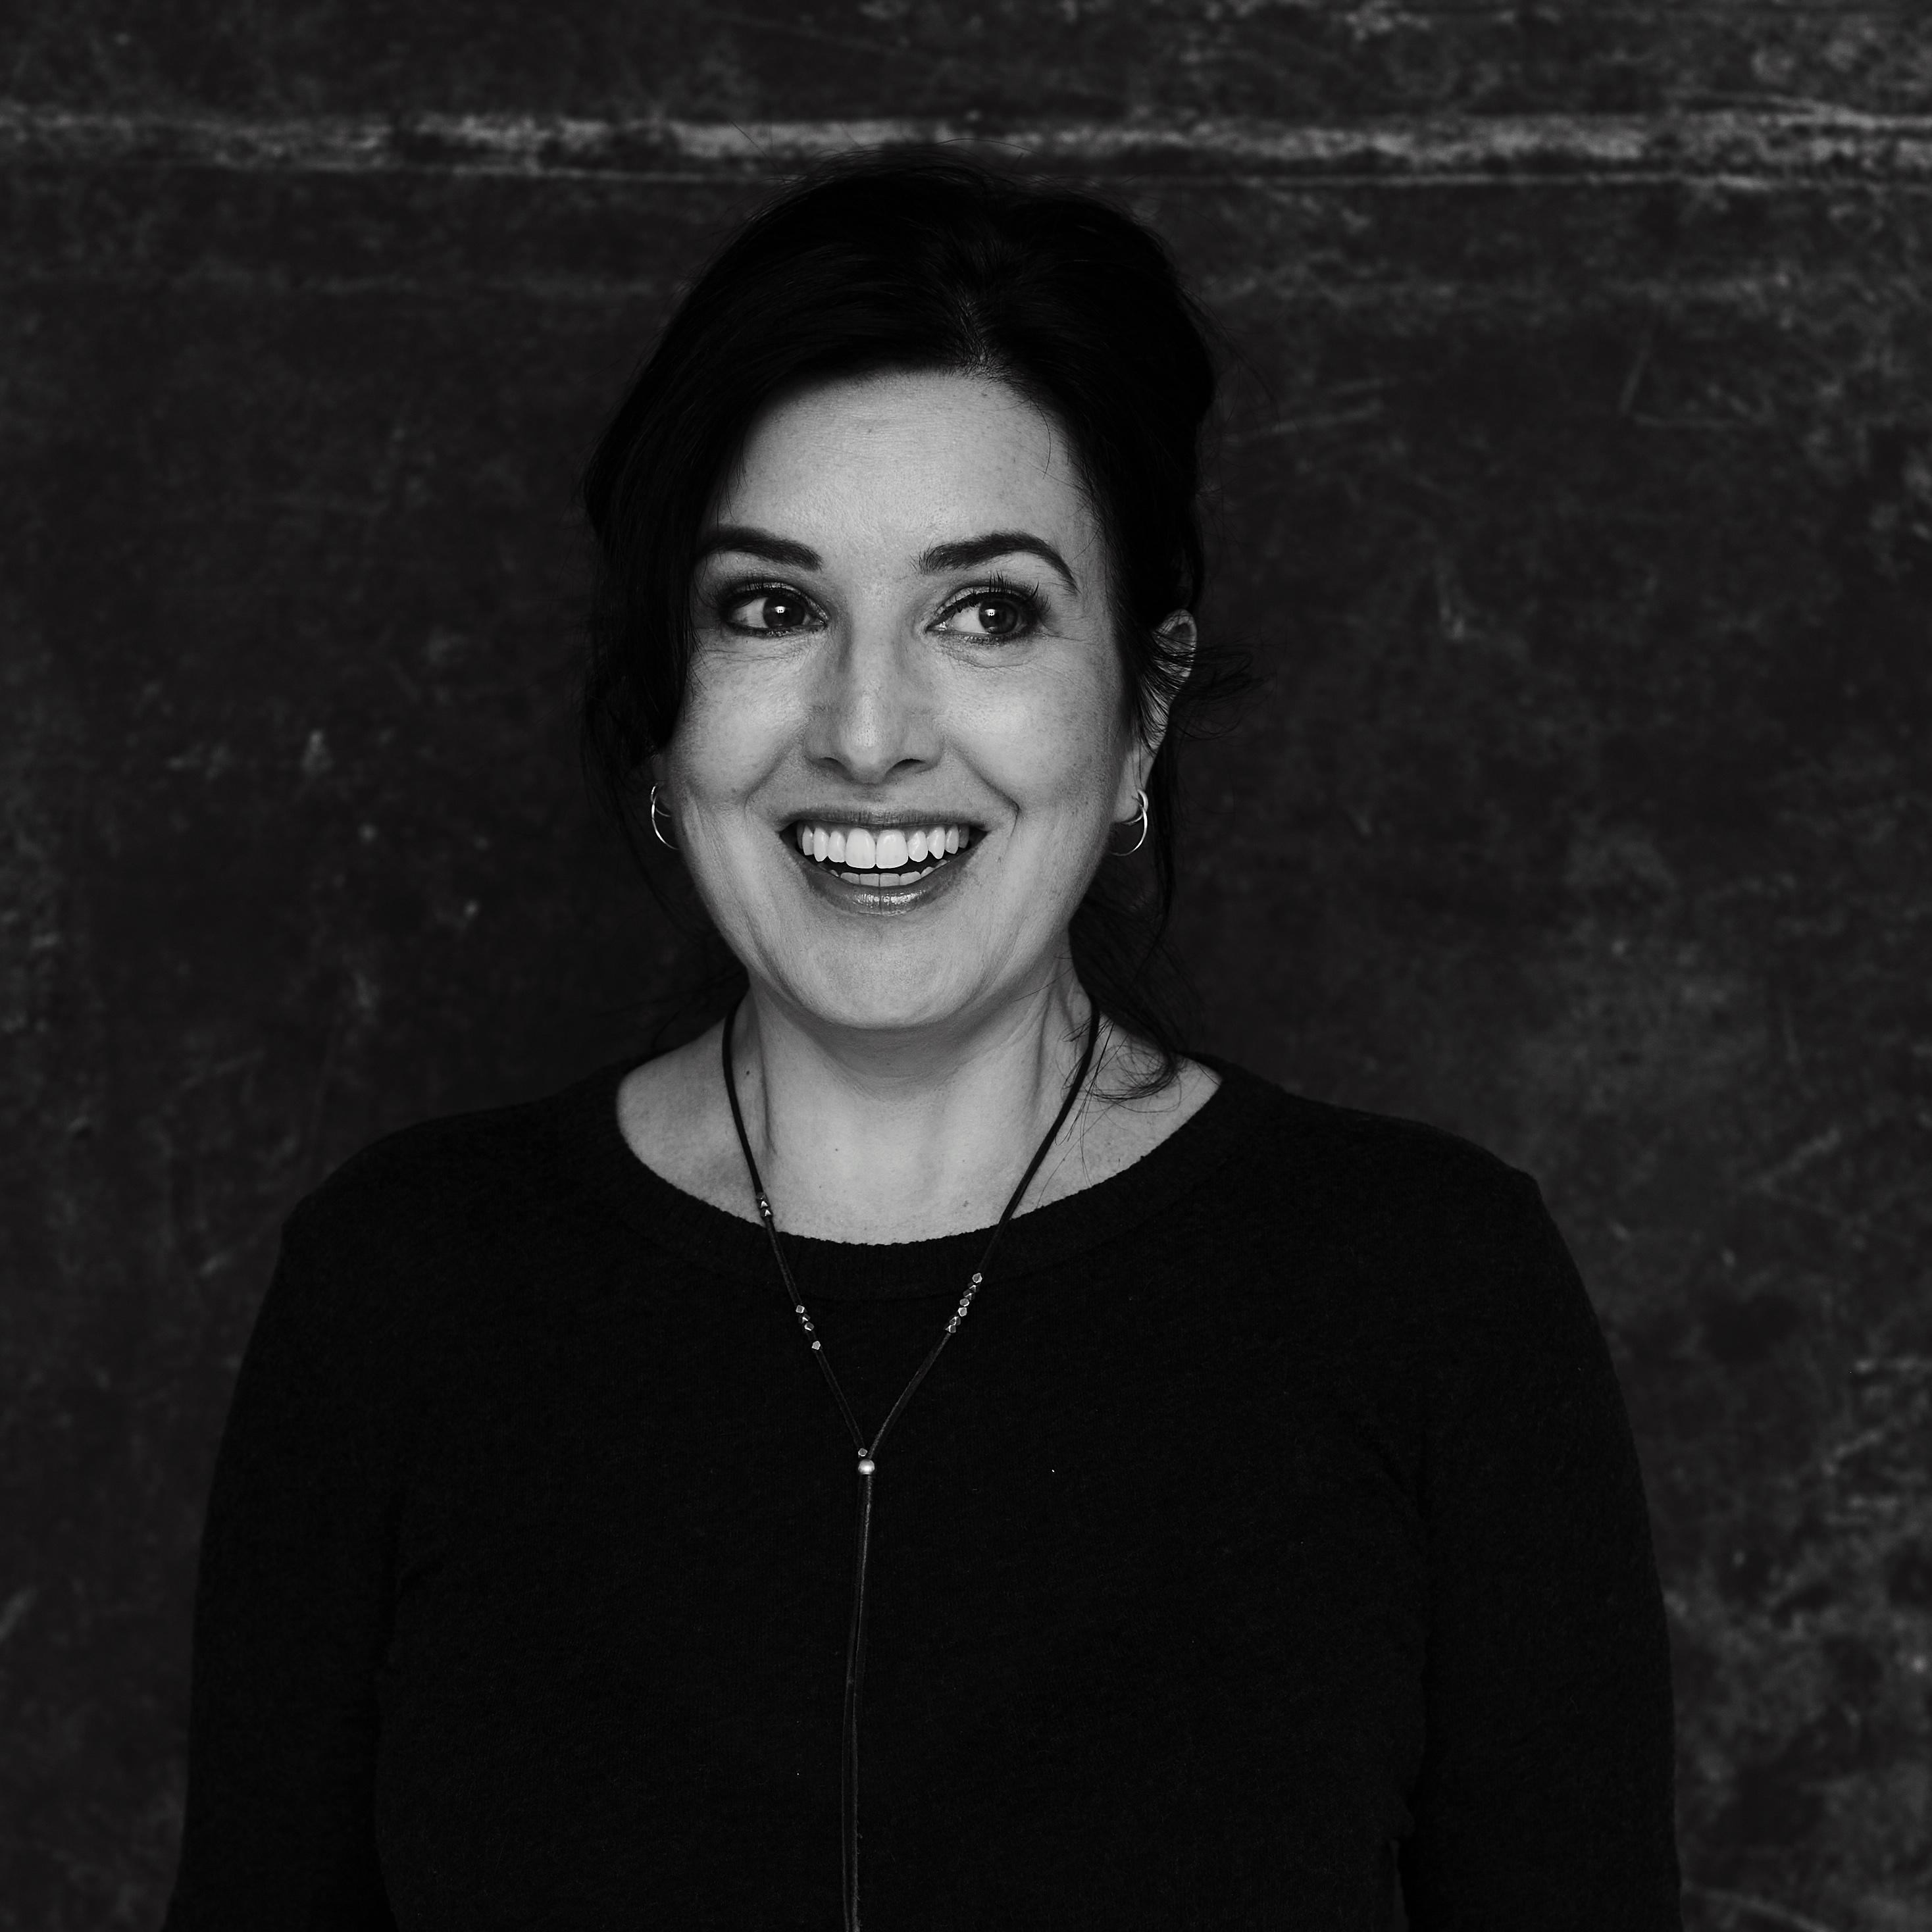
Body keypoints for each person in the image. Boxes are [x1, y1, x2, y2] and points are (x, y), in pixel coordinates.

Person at [164, 157, 1682, 1930]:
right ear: (664, 709)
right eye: (770, 607)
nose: (868, 732)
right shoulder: (403, 1292)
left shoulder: (1430, 1298)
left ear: (1143, 706)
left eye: (989, 613)